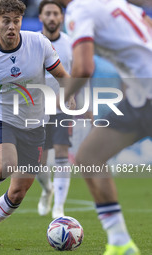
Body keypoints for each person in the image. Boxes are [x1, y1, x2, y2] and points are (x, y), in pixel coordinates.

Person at [0, 0, 73, 247]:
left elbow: (63, 77)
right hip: (2, 120)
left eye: (16, 21)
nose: (11, 27)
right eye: (6, 21)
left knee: (18, 192)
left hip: (35, 124)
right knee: (7, 165)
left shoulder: (38, 44)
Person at [55, 0, 152, 254]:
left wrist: (62, 98)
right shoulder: (116, 3)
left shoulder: (79, 9)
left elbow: (84, 67)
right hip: (141, 96)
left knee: (89, 157)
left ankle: (120, 240)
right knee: (89, 156)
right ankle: (120, 243)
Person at [35, 0, 73, 219]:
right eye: (47, 13)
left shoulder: (70, 44)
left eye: (55, 14)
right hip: (37, 107)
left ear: (61, 18)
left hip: (62, 105)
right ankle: (47, 190)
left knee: (61, 152)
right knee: (40, 158)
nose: (51, 17)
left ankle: (59, 206)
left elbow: (77, 73)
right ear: (40, 17)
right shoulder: (32, 43)